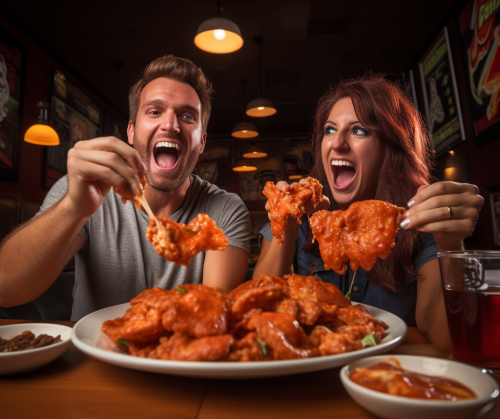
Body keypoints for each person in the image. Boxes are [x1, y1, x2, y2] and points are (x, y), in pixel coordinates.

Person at [0, 55, 252, 320]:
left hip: (186, 359)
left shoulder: (225, 209)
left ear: (201, 142)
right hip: (91, 359)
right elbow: (6, 289)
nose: (170, 124)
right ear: (131, 132)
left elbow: (215, 317)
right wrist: (73, 208)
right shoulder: (83, 189)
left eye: (187, 116)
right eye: (154, 111)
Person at [254, 75, 483, 346]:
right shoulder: (302, 213)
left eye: (358, 130)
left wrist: (452, 246)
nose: (337, 143)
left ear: (390, 148)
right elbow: (256, 311)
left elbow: (446, 338)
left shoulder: (418, 220)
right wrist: (287, 225)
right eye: (329, 130)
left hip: (388, 379)